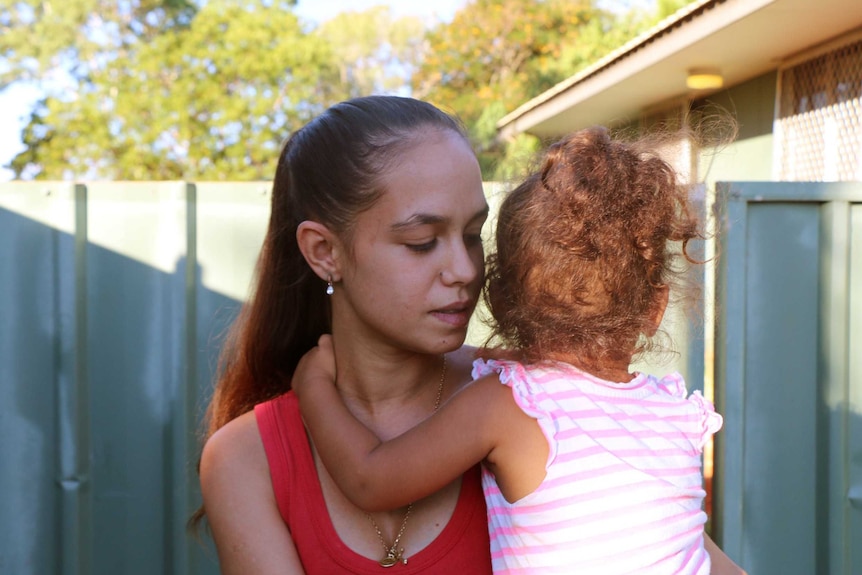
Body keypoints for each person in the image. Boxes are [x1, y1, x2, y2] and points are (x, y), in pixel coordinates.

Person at [293, 126, 742, 574]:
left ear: (500, 298)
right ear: (655, 308)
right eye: (422, 243)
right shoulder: (674, 412)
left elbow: (371, 480)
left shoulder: (511, 405)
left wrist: (313, 383)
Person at [195, 95, 494, 574]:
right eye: (422, 243)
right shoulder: (244, 459)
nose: (464, 270)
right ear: (324, 252)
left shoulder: (529, 398)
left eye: (474, 235)